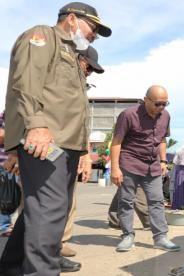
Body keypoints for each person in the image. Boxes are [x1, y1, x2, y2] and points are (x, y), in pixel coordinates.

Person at [0, 2, 111, 275]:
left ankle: (11, 266)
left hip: (68, 146)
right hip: (46, 142)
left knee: (43, 210)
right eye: (93, 27)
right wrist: (36, 126)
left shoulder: (74, 55)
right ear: (72, 19)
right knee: (49, 211)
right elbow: (25, 82)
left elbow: (74, 108)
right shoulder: (42, 36)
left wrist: (84, 151)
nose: (95, 34)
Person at [110, 85, 180, 252]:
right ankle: (127, 236)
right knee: (126, 201)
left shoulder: (165, 116)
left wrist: (163, 161)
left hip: (153, 165)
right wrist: (115, 168)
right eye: (157, 103)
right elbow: (117, 141)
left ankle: (161, 237)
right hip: (130, 163)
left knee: (157, 201)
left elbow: (162, 139)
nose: (161, 107)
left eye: (165, 103)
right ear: (146, 99)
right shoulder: (128, 115)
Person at [61, 45, 104, 259]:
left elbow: (82, 124)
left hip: (72, 151)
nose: (89, 72)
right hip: (47, 149)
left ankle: (59, 245)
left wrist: (85, 155)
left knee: (69, 201)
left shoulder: (82, 87)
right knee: (41, 204)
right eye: (88, 66)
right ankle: (36, 252)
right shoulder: (54, 77)